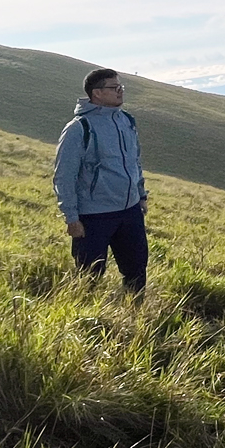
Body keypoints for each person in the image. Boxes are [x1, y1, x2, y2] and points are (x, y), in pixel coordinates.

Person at [52, 68, 149, 293]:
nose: (120, 91)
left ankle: (137, 317)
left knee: (136, 271)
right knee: (89, 277)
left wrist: (141, 195)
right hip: (94, 217)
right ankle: (87, 321)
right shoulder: (78, 128)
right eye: (114, 88)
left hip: (130, 211)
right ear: (97, 93)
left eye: (121, 87)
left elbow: (135, 161)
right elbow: (64, 175)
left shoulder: (127, 121)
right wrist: (71, 217)